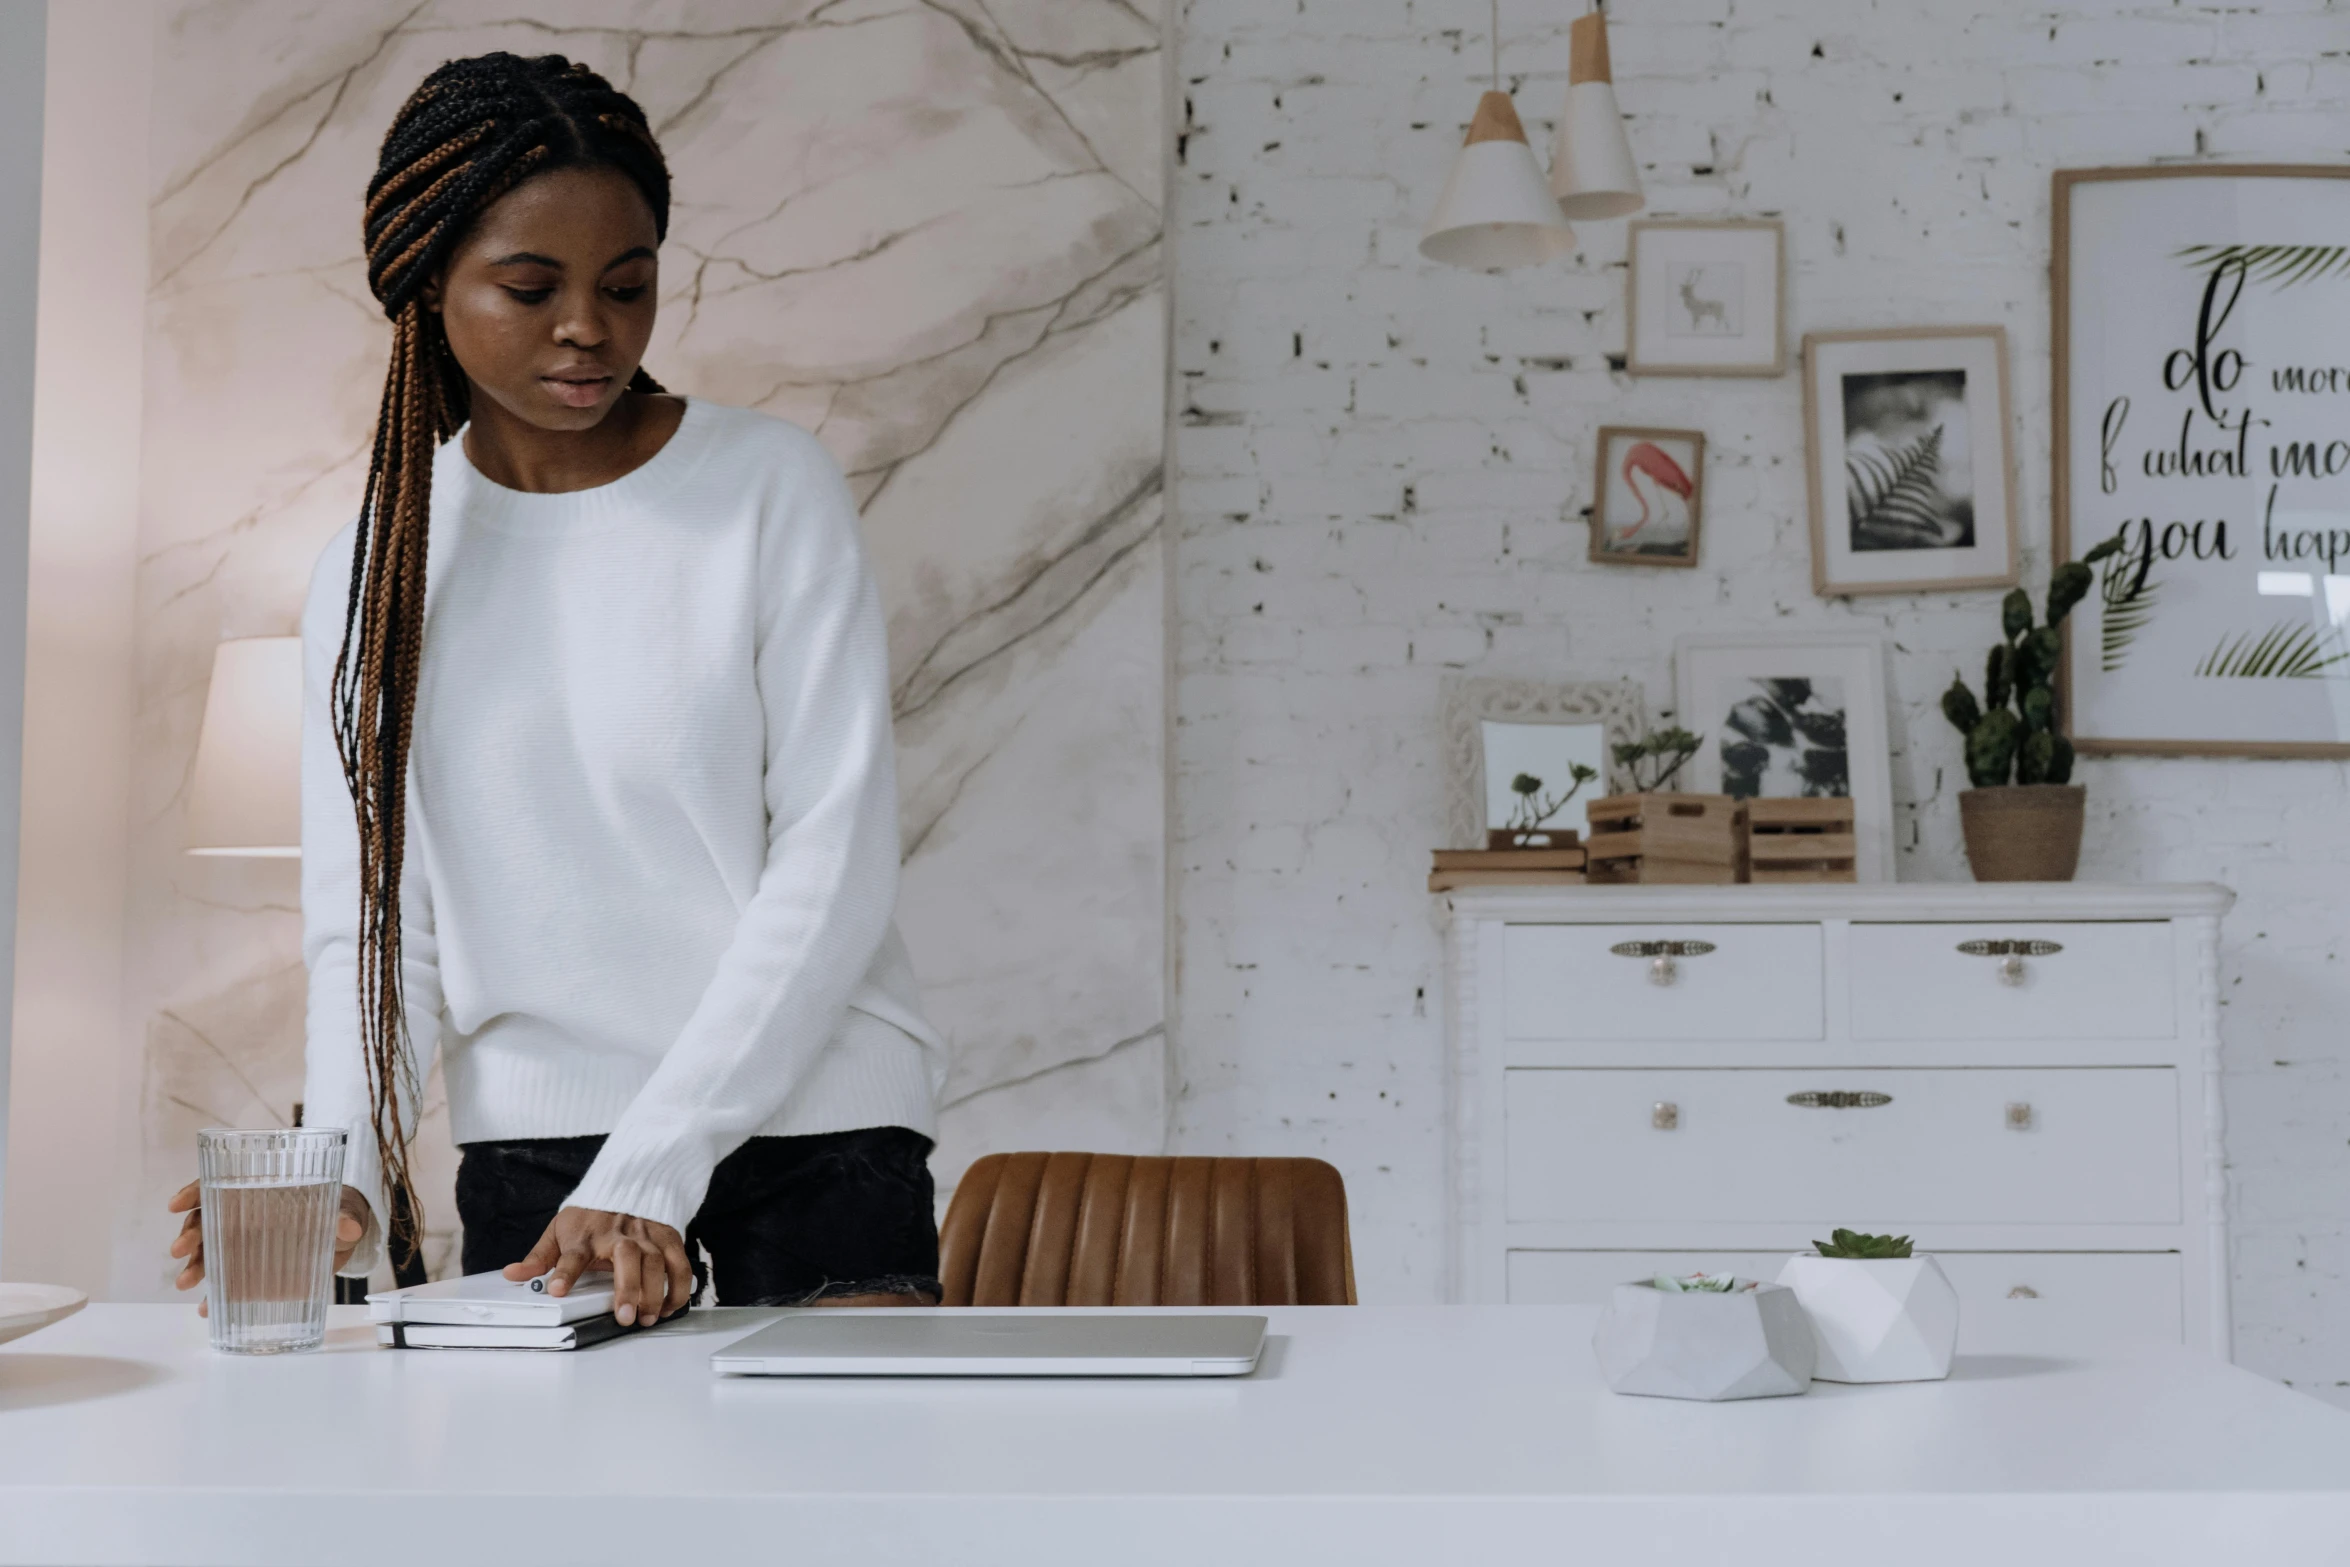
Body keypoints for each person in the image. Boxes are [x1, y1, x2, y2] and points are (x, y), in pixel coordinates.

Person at [167, 51, 946, 1327]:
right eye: (529, 288)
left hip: (819, 1129)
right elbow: (373, 925)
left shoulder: (766, 491)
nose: (588, 326)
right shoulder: (376, 576)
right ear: (424, 284)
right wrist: (345, 1180)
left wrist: (655, 1165)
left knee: (837, 1519)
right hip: (544, 1159)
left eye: (626, 285)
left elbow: (832, 861)